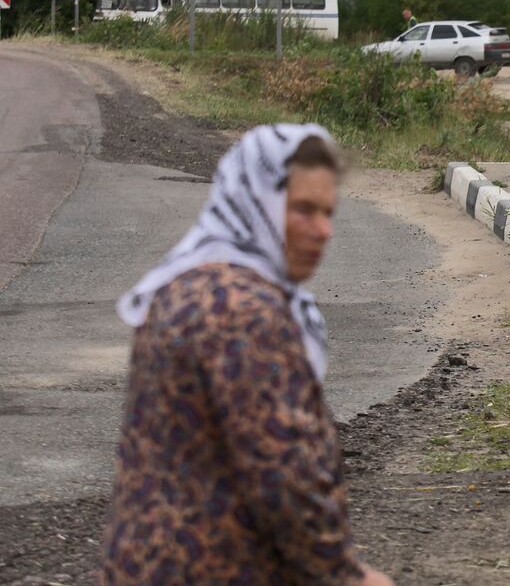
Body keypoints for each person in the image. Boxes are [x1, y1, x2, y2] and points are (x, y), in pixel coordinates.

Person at [100, 124, 393, 585]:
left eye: (328, 212)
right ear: (255, 201)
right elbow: (285, 476)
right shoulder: (242, 311)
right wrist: (346, 576)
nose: (323, 231)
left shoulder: (186, 284)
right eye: (302, 210)